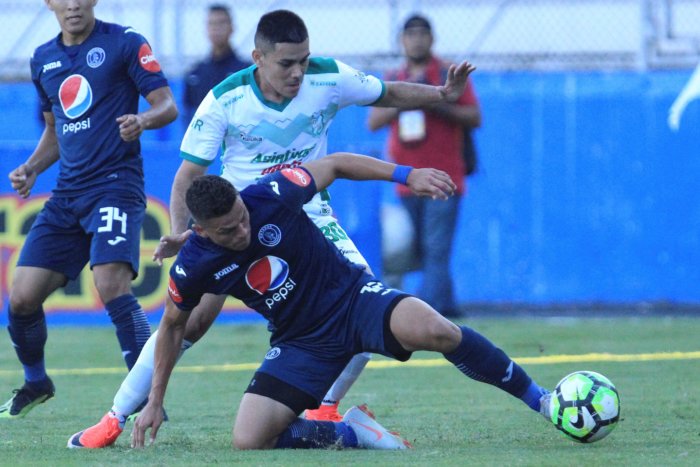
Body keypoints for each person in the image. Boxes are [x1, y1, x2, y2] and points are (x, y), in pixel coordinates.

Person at [66, 9, 478, 447]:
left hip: (309, 215)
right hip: (241, 222)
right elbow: (188, 176)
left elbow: (387, 92)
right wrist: (186, 232)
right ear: (257, 57)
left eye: (303, 60)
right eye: (286, 63)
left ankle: (326, 411)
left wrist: (441, 93)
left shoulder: (329, 77)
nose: (298, 72)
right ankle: (114, 417)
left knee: (364, 309)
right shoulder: (225, 99)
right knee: (191, 321)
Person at [76, 153, 550, 450]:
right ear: (200, 231)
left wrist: (406, 174)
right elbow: (174, 328)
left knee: (439, 331)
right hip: (300, 341)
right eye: (228, 230)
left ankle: (542, 401)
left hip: (353, 299)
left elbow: (338, 163)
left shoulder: (272, 194)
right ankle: (352, 432)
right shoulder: (193, 264)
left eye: (242, 219)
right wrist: (154, 401)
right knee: (248, 439)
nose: (242, 230)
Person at [0, 0, 178, 419]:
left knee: (111, 282)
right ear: (50, 3)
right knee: (22, 297)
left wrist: (144, 121)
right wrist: (31, 168)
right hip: (67, 195)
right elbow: (55, 130)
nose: (74, 4)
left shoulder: (125, 42)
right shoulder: (42, 58)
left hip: (115, 185)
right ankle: (36, 382)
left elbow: (166, 104)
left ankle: (147, 398)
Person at [368, 14, 482, 318]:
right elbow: (373, 121)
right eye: (411, 34)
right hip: (408, 179)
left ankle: (430, 314)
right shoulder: (395, 78)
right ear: (402, 40)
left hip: (446, 175)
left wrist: (435, 98)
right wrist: (408, 96)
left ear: (432, 38)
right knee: (419, 249)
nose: (417, 39)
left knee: (436, 246)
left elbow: (474, 116)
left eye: (422, 34)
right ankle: (447, 306)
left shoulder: (448, 74)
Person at [182, 4, 251, 126]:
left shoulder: (246, 71)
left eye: (221, 23)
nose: (216, 29)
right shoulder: (195, 74)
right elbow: (187, 115)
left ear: (232, 28)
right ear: (206, 28)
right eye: (212, 24)